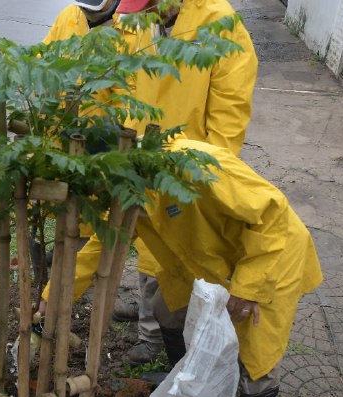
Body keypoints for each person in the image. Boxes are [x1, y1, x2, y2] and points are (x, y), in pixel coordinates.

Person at [43, 136, 322, 397]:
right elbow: (102, 243)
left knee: (256, 360)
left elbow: (272, 216)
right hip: (210, 265)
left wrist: (249, 286)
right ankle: (189, 381)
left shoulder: (195, 165)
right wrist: (53, 297)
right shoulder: (127, 187)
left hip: (268, 260)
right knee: (166, 311)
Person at [44, 0, 259, 366]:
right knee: (125, 242)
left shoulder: (220, 25)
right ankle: (162, 338)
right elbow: (115, 91)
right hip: (137, 161)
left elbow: (229, 118)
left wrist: (204, 180)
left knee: (170, 264)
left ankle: (166, 340)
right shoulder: (133, 21)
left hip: (185, 172)